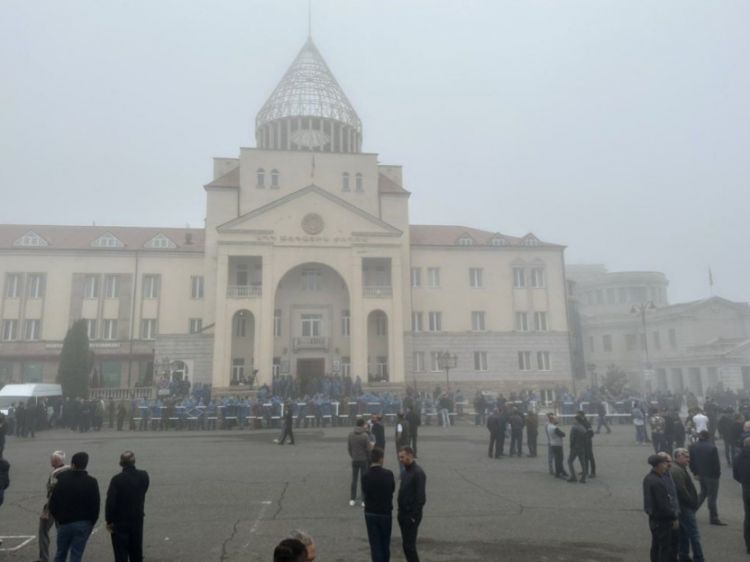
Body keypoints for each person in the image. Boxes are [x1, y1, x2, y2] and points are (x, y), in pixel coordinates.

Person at [49, 451, 100, 562]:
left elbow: (53, 503)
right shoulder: (91, 482)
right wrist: (91, 522)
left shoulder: (62, 480)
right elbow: (95, 505)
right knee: (76, 554)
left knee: (60, 553)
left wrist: (59, 519)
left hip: (64, 522)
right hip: (83, 523)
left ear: (72, 464)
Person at [106, 451, 150, 562]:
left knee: (120, 552)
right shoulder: (144, 475)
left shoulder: (116, 479)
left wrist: (109, 520)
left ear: (121, 463)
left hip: (120, 520)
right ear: (134, 461)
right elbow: (144, 490)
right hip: (137, 518)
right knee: (136, 550)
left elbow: (111, 502)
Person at [671, 448, 705, 562]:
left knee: (684, 533)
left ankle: (684, 555)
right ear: (677, 457)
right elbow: (681, 491)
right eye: (686, 457)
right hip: (685, 507)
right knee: (694, 534)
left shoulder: (679, 468)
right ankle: (699, 558)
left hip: (683, 506)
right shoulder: (677, 471)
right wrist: (692, 502)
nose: (688, 459)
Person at [643, 454, 678, 562]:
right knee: (664, 549)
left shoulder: (648, 478)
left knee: (656, 546)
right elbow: (663, 505)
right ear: (658, 465)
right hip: (663, 521)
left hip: (653, 518)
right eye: (664, 463)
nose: (666, 466)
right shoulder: (658, 482)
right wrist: (673, 517)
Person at [362, 447, 395, 562]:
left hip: (370, 512)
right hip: (385, 512)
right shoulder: (388, 474)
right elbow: (392, 489)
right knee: (385, 543)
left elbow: (365, 492)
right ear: (381, 459)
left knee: (375, 544)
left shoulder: (365, 475)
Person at [38, 450, 70, 562]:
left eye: (52, 459)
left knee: (43, 531)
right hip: (66, 507)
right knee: (61, 532)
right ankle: (61, 557)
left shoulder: (55, 473)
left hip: (53, 506)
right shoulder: (70, 469)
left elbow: (51, 492)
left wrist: (46, 510)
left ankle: (44, 558)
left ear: (55, 461)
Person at [689, 430, 727, 525]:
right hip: (712, 475)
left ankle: (691, 511)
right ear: (708, 437)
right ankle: (713, 517)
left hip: (701, 474)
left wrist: (695, 472)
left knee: (703, 493)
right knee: (712, 497)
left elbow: (691, 461)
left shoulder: (693, 446)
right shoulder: (712, 447)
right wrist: (717, 474)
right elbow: (716, 464)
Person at [397, 447, 426, 562]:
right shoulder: (405, 472)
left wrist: (414, 516)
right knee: (406, 546)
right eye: (400, 457)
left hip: (411, 516)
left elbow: (421, 498)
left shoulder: (418, 473)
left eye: (402, 457)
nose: (400, 459)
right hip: (403, 514)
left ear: (410, 455)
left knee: (410, 546)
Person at [348, 418, 371, 506]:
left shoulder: (351, 435)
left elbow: (349, 448)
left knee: (354, 480)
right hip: (363, 460)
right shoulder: (365, 436)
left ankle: (352, 499)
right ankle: (363, 500)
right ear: (362, 425)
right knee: (363, 480)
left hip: (355, 459)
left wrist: (353, 455)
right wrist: (368, 457)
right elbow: (368, 449)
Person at [733, 437, 750, 554]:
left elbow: (735, 475)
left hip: (746, 488)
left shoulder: (738, 457)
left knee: (748, 517)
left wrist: (743, 482)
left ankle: (749, 545)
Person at [567, 412, 588, 483]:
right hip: (582, 447)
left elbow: (572, 438)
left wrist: (571, 446)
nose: (573, 420)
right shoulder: (583, 428)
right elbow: (586, 439)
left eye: (574, 419)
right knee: (583, 463)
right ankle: (583, 478)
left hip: (575, 447)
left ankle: (573, 476)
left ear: (576, 420)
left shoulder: (574, 427)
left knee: (569, 461)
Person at [546, 413, 567, 478]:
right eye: (556, 419)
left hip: (553, 444)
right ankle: (559, 472)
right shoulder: (554, 428)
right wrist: (563, 432)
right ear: (552, 420)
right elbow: (563, 434)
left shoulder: (549, 426)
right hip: (557, 444)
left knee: (557, 459)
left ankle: (560, 471)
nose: (557, 420)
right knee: (559, 459)